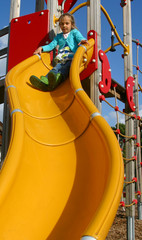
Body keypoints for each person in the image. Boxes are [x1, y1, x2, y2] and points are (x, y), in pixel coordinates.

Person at [30, 12, 88, 91]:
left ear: (72, 24)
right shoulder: (59, 36)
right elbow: (51, 45)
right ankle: (45, 81)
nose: (64, 26)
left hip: (72, 59)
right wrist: (42, 48)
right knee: (56, 68)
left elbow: (80, 37)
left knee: (65, 68)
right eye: (61, 24)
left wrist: (82, 41)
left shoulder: (74, 33)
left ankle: (57, 79)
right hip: (62, 59)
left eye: (67, 23)